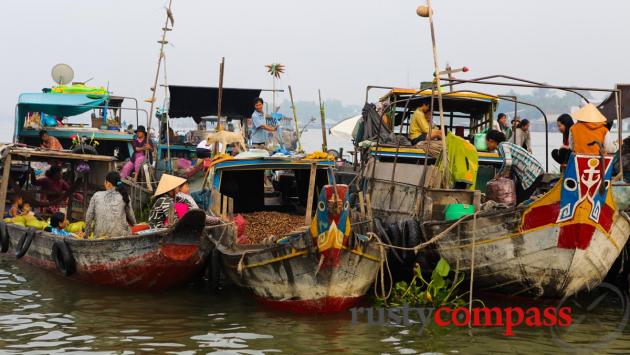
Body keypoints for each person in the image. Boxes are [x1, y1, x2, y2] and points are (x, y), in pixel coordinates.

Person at [486, 129, 544, 204]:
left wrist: (498, 176)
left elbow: (508, 163)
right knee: (516, 197)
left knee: (519, 200)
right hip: (533, 172)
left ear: (491, 141)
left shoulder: (502, 146)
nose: (487, 145)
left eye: (487, 143)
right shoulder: (506, 145)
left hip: (532, 174)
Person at [84, 171, 136, 238]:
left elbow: (89, 217)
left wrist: (86, 234)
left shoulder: (96, 195)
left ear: (108, 183)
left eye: (104, 181)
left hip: (99, 236)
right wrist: (135, 225)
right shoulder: (125, 196)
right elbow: (131, 217)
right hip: (120, 236)